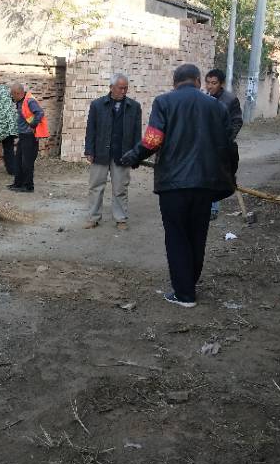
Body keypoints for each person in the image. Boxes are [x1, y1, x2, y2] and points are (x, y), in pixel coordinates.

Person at [119, 64, 235, 308]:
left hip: (174, 184)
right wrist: (228, 178)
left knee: (177, 236)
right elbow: (228, 146)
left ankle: (184, 294)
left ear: (175, 82)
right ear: (197, 81)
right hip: (205, 184)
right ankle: (189, 284)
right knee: (197, 235)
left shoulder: (164, 102)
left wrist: (134, 156)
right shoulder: (217, 107)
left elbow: (153, 139)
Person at [83, 73, 142, 230]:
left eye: (126, 88)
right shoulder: (97, 105)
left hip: (123, 154)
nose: (123, 91)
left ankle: (121, 219)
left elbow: (137, 133)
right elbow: (90, 130)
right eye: (120, 88)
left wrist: (136, 155)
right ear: (111, 88)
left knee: (120, 188)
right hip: (100, 152)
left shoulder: (134, 107)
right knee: (96, 186)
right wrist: (89, 150)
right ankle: (93, 217)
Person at [205, 69, 244, 221]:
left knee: (216, 175)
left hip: (222, 146)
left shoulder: (230, 100)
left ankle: (213, 208)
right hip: (205, 143)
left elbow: (237, 122)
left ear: (221, 84)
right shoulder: (203, 98)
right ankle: (204, 204)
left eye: (213, 83)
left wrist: (226, 139)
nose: (209, 86)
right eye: (207, 82)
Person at [9, 83, 49, 192]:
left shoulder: (29, 101)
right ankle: (18, 184)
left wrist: (33, 125)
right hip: (23, 135)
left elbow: (40, 113)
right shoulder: (20, 101)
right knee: (18, 160)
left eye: (13, 95)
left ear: (18, 93)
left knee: (27, 162)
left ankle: (28, 186)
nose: (12, 97)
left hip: (30, 136)